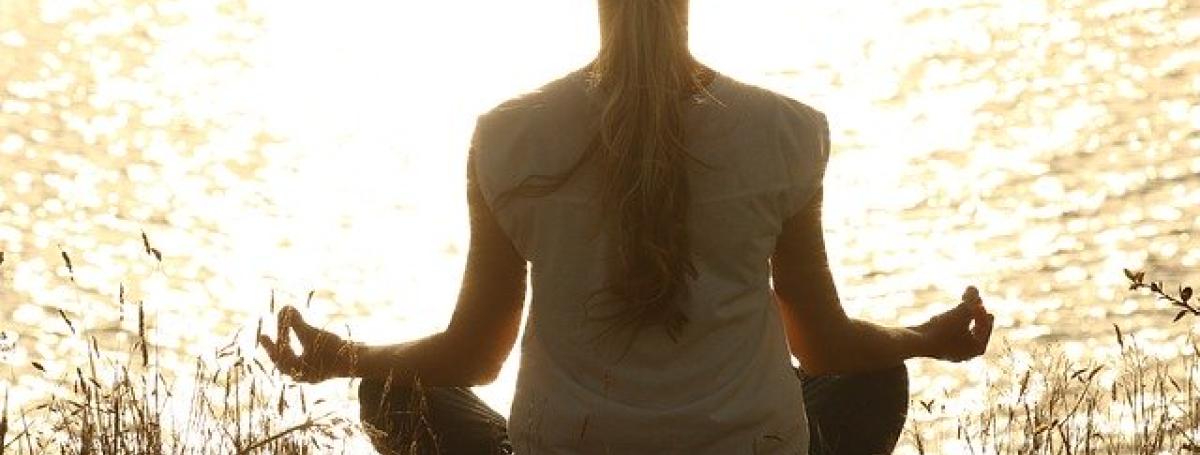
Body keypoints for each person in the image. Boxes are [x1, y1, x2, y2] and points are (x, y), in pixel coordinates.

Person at [258, 1, 996, 453]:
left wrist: (342, 355)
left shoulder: (509, 137)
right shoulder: (786, 132)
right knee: (873, 377)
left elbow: (473, 356)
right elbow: (824, 344)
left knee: (389, 392)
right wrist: (925, 339)